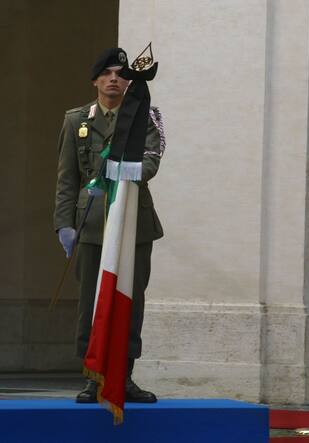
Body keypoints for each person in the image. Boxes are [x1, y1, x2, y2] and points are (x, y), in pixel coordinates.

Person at [54, 47, 164, 403]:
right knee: (91, 303)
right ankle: (92, 377)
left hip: (134, 222)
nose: (114, 79)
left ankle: (125, 376)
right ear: (95, 80)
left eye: (120, 73)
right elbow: (66, 178)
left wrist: (122, 171)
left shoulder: (144, 117)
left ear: (129, 82)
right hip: (92, 224)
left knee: (131, 303)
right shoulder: (76, 121)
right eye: (107, 73)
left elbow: (150, 161)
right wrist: (64, 225)